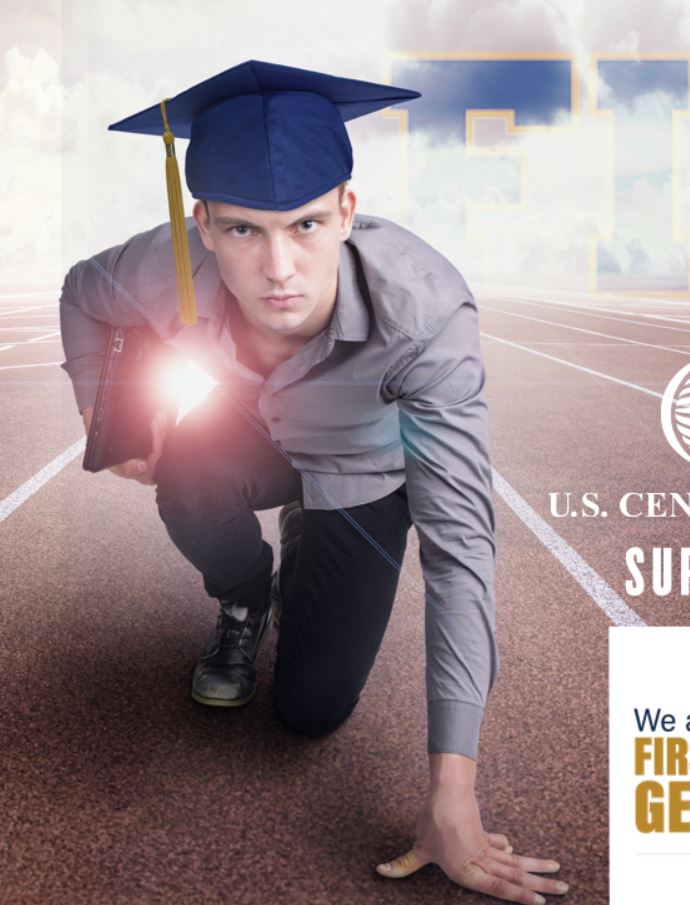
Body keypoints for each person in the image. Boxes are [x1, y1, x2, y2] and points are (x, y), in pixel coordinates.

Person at [59, 60, 568, 904]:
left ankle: (311, 531)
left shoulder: (428, 317)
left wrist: (452, 793)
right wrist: (102, 420)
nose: (278, 269)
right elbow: (84, 290)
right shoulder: (167, 266)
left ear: (345, 211)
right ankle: (242, 597)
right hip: (244, 431)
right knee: (186, 469)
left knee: (309, 713)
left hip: (359, 472)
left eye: (303, 225)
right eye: (244, 232)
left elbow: (459, 551)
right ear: (206, 226)